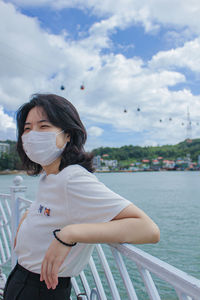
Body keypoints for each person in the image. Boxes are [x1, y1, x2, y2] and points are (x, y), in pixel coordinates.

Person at [3, 93, 160, 300]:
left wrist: (70, 234)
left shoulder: (73, 178)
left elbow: (148, 229)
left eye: (43, 126)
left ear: (67, 135)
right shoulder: (49, 177)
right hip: (21, 279)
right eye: (27, 128)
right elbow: (57, 209)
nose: (32, 135)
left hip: (41, 289)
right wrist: (29, 216)